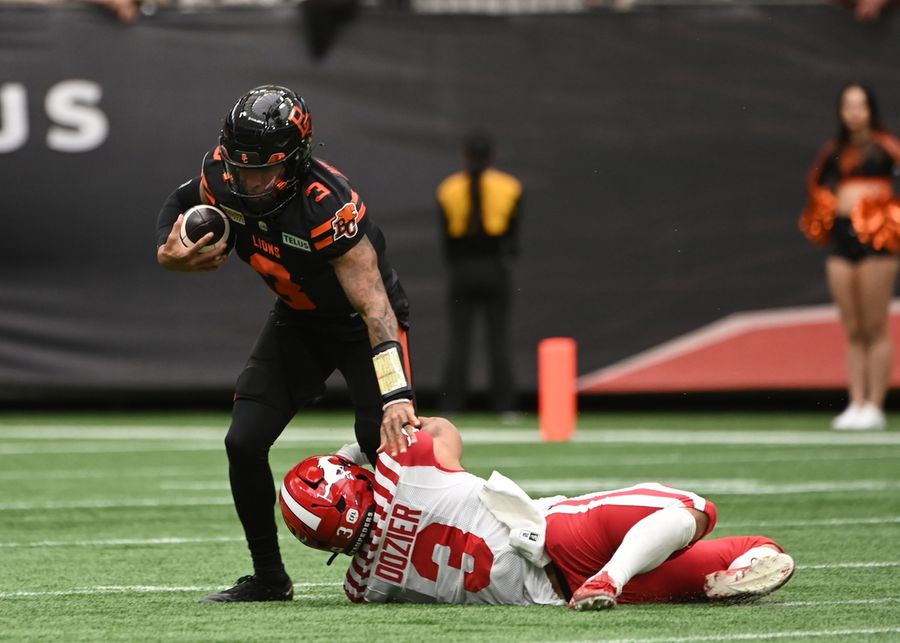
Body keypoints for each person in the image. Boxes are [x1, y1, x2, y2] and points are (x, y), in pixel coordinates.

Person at [155, 85, 419, 602]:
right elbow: (179, 202)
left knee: (386, 446)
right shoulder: (220, 174)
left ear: (295, 162)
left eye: (264, 170)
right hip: (297, 322)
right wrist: (169, 253)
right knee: (243, 442)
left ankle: (421, 565)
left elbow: (376, 310)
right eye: (241, 166)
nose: (249, 181)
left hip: (358, 327)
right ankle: (269, 578)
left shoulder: (327, 205)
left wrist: (396, 394)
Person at [279, 417, 796, 608]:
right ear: (353, 479)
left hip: (553, 593)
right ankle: (613, 576)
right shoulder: (404, 467)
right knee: (695, 508)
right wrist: (355, 452)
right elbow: (441, 430)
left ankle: (622, 577)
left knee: (750, 554)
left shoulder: (364, 587)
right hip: (561, 536)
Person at [799, 83, 900, 431]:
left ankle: (876, 403)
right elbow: (816, 184)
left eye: (861, 105)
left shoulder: (886, 146)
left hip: (878, 237)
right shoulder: (834, 150)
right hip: (842, 238)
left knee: (875, 324)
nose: (855, 112)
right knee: (853, 327)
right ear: (841, 111)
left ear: (871, 109)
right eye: (848, 105)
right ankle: (856, 401)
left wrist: (888, 212)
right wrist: (825, 209)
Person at [436, 131, 523, 415]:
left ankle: (452, 405)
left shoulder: (448, 188)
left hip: (463, 268)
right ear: (492, 156)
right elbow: (513, 240)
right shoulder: (510, 187)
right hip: (495, 268)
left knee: (459, 340)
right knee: (498, 339)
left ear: (465, 156)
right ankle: (504, 406)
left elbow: (446, 242)